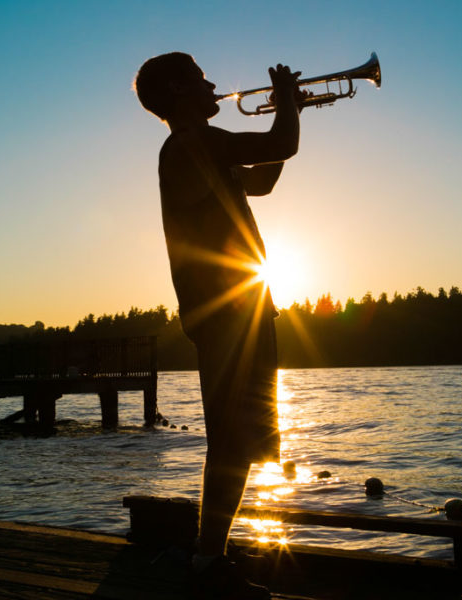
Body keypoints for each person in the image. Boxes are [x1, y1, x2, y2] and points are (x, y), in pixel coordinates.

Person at [134, 52, 302, 599]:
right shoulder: (192, 143)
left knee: (242, 440)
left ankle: (213, 556)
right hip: (229, 312)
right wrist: (288, 107)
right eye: (202, 78)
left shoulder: (202, 150)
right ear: (181, 90)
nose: (213, 85)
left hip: (241, 309)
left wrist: (287, 110)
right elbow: (281, 145)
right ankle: (210, 561)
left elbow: (266, 180)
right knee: (231, 440)